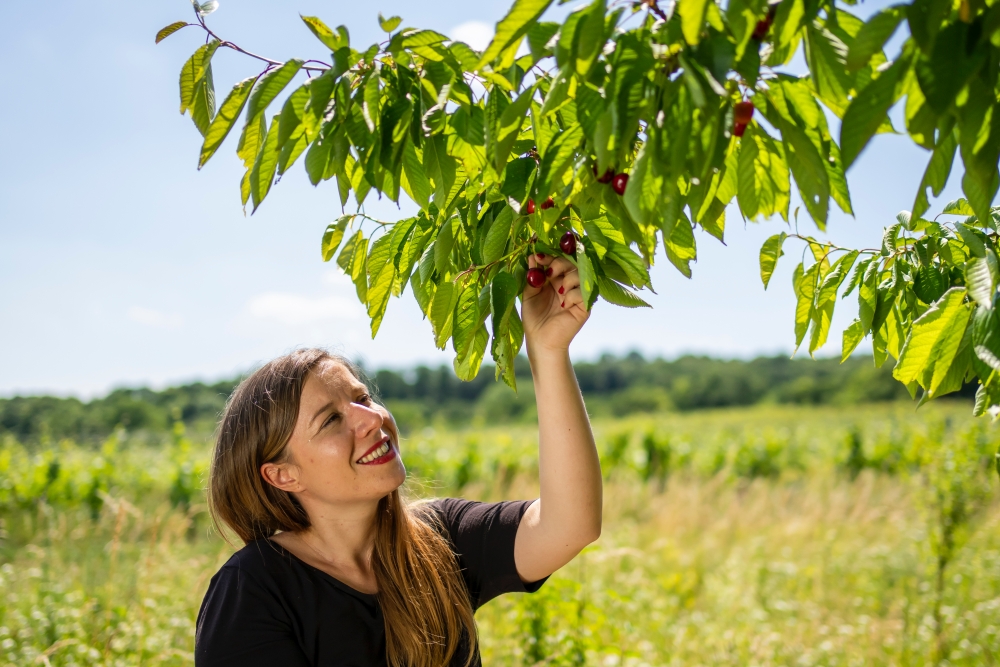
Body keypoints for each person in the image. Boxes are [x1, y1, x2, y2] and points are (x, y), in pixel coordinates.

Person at [194, 252, 602, 667]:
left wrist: (547, 351)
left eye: (363, 398)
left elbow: (569, 524)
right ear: (283, 475)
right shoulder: (254, 589)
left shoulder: (438, 539)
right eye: (332, 419)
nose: (373, 419)